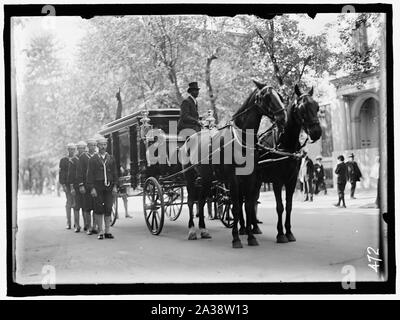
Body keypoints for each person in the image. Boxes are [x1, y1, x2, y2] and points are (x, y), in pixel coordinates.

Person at [87, 136, 118, 240]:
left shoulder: (111, 158)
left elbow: (115, 173)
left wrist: (115, 186)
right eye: (101, 145)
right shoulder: (93, 159)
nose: (103, 147)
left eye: (105, 144)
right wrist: (92, 188)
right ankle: (100, 231)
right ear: (97, 146)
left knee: (108, 207)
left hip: (109, 186)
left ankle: (107, 231)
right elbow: (89, 175)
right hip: (98, 186)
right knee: (98, 209)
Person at [59, 143, 76, 229]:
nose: (72, 151)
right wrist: (63, 185)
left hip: (75, 184)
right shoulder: (63, 160)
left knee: (76, 203)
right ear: (68, 150)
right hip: (67, 184)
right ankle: (68, 222)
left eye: (73, 149)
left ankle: (76, 222)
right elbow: (61, 173)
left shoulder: (77, 159)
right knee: (69, 202)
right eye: (70, 149)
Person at [67, 146, 81, 232]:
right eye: (80, 148)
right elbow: (70, 175)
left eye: (83, 148)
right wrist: (71, 187)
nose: (81, 150)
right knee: (75, 205)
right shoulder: (72, 160)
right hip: (74, 185)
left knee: (85, 206)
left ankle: (87, 225)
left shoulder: (86, 158)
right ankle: (75, 224)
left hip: (83, 185)